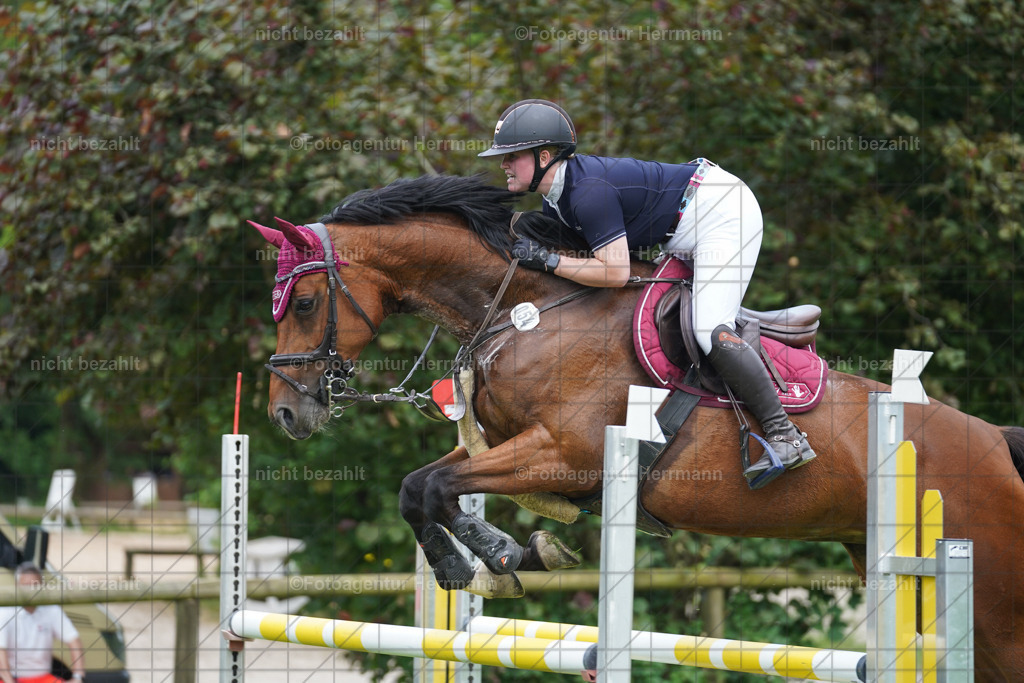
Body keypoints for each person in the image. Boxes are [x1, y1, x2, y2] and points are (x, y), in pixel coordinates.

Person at [477, 98, 816, 474]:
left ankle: (786, 435)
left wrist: (549, 261)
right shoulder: (555, 201)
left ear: (544, 156)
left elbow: (615, 273)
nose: (503, 163)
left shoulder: (587, 192)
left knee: (708, 329)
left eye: (513, 155)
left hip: (723, 214)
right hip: (685, 226)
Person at [0, 562, 85, 683]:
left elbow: (74, 639)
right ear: (16, 586)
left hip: (44, 678)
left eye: (35, 586)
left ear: (42, 586)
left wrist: (78, 677)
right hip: (12, 678)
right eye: (26, 586)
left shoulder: (51, 609)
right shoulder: (4, 612)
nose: (30, 591)